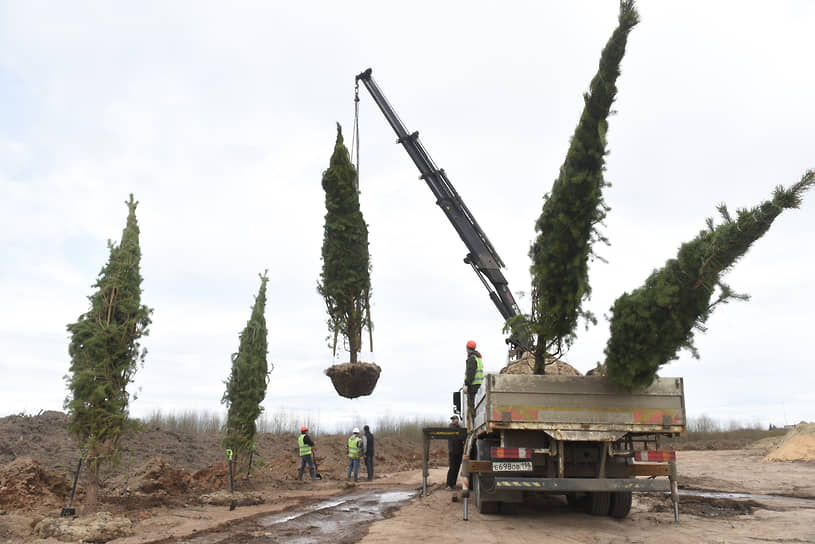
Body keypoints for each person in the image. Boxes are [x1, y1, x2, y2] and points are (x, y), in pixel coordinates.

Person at [464, 340, 483, 423]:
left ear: (468, 348)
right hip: (479, 385)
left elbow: (471, 372)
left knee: (471, 406)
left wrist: (467, 383)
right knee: (478, 405)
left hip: (473, 385)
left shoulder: (472, 358)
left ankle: (474, 423)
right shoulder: (478, 358)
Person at [446, 414, 464, 490]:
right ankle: (448, 484)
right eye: (452, 419)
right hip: (452, 451)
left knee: (457, 468)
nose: (453, 420)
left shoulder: (460, 427)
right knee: (452, 468)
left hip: (459, 451)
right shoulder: (451, 427)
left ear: (457, 420)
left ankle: (453, 484)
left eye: (454, 419)